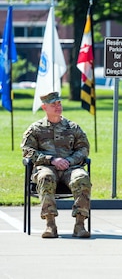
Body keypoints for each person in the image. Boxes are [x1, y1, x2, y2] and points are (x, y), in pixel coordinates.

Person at [21, 92, 91, 238]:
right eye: (53, 105)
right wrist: (51, 160)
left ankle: (80, 225)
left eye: (59, 103)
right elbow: (27, 151)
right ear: (44, 107)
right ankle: (50, 224)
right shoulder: (36, 129)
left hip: (70, 168)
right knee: (46, 177)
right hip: (46, 167)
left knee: (82, 177)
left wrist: (70, 161)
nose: (58, 107)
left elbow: (84, 148)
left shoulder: (72, 127)